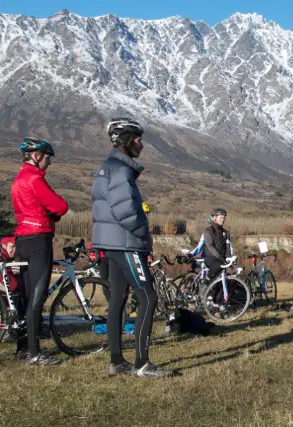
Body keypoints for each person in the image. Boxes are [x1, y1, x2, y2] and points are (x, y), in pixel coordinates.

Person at [92, 118, 173, 378]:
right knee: (148, 297)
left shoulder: (108, 167)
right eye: (137, 139)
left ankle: (117, 360)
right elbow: (126, 211)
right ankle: (142, 363)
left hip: (111, 244)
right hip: (125, 244)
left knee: (117, 300)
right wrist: (143, 236)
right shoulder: (121, 169)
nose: (142, 144)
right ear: (125, 141)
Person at [11, 137, 68, 365]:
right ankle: (34, 353)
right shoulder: (34, 180)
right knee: (37, 295)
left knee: (24, 296)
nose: (49, 163)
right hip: (38, 240)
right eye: (47, 158)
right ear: (36, 156)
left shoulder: (17, 180)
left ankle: (23, 348)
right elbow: (60, 206)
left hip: (22, 240)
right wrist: (53, 214)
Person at [202, 208, 233, 282]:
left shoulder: (226, 232)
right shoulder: (208, 231)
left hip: (221, 260)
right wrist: (220, 258)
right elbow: (210, 246)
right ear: (214, 218)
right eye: (221, 218)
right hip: (211, 258)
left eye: (224, 218)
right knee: (219, 264)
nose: (223, 220)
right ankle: (206, 280)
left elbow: (228, 247)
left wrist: (230, 260)